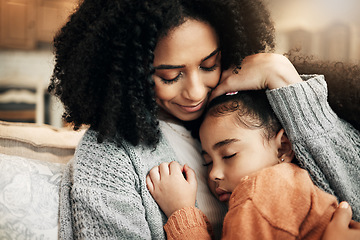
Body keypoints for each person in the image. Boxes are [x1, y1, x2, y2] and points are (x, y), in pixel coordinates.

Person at [48, 0, 360, 239]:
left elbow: (353, 203)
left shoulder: (253, 111)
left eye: (209, 65)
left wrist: (282, 77)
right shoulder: (108, 159)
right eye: (171, 76)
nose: (196, 92)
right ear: (129, 74)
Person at [146, 90, 360, 239]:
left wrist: (181, 211)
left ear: (283, 147)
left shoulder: (258, 192)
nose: (214, 174)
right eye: (207, 162)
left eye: (229, 155)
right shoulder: (295, 184)